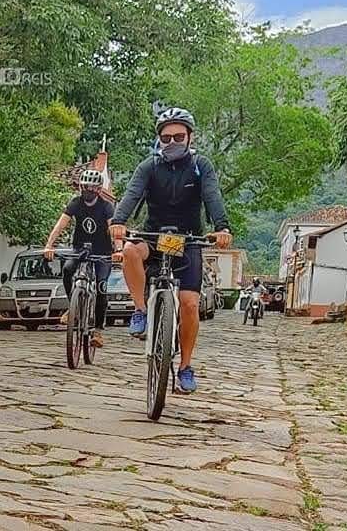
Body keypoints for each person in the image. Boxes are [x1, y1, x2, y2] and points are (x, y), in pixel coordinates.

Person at [109, 107, 232, 394]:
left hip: (188, 241)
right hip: (153, 235)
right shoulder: (148, 167)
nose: (172, 142)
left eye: (179, 136)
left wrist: (223, 228)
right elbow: (132, 194)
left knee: (189, 303)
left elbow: (212, 197)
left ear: (190, 137)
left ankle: (186, 366)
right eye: (166, 138)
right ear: (158, 140)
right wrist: (118, 221)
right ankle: (140, 311)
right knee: (129, 251)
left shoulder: (201, 166)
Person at [43, 168, 114, 348]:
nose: (88, 191)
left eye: (92, 188)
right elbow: (61, 224)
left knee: (101, 287)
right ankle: (72, 308)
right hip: (79, 248)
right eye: (85, 187)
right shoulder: (76, 203)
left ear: (98, 190)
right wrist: (49, 245)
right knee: (67, 269)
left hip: (102, 252)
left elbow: (113, 229)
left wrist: (118, 249)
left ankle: (98, 330)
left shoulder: (106, 207)